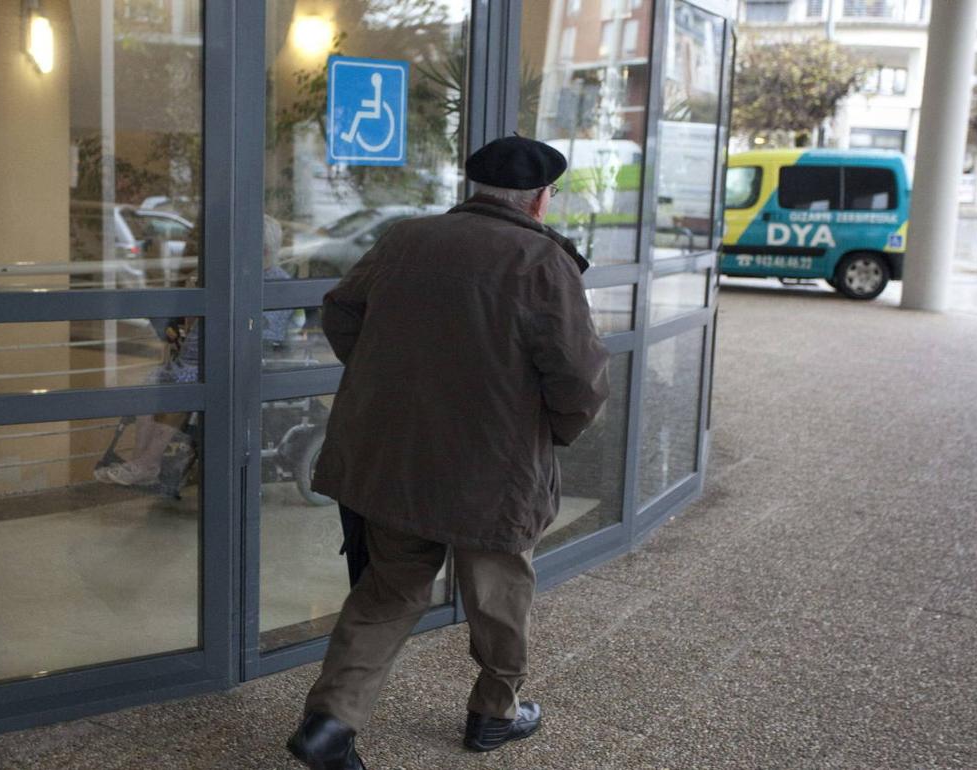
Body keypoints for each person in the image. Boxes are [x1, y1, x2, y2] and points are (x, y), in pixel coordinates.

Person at [285, 136, 610, 770]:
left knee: (388, 591)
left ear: (476, 188)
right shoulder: (542, 261)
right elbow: (579, 378)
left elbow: (341, 311)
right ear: (541, 199)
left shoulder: (405, 238)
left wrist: (388, 384)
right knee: (499, 595)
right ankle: (495, 713)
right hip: (494, 468)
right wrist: (552, 432)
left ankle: (329, 724)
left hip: (395, 457)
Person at [97, 215, 291, 487]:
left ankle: (148, 462)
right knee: (151, 384)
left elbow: (266, 336)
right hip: (198, 357)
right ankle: (140, 461)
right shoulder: (238, 276)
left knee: (180, 386)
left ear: (263, 251)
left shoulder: (276, 283)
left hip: (230, 362)